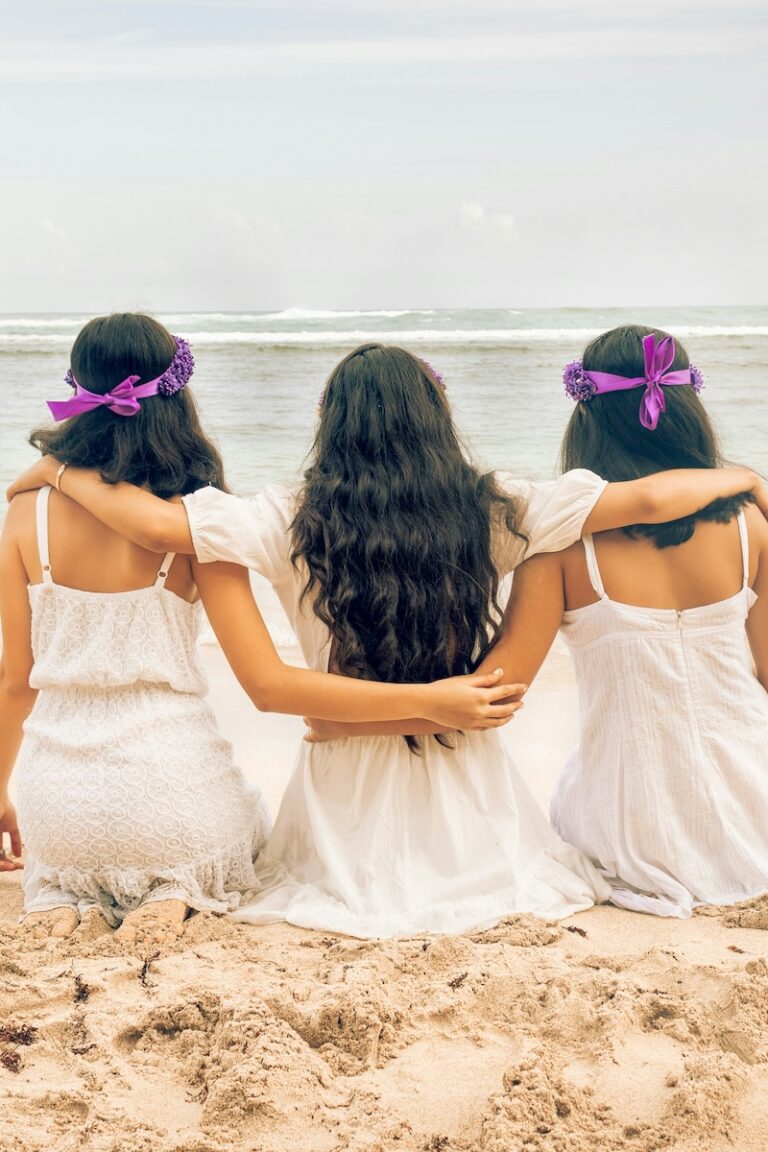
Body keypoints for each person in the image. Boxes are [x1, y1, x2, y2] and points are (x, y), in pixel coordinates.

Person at [8, 342, 767, 937]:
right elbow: (651, 495)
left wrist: (59, 471)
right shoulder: (496, 506)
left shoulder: (287, 514)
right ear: (438, 415)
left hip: (340, 801)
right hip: (471, 794)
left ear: (327, 423)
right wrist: (745, 481)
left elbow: (154, 525)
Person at [0, 318, 525, 944]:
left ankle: (62, 892)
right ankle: (171, 890)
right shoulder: (194, 512)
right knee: (229, 830)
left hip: (54, 798)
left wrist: (58, 472)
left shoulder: (24, 514)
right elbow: (260, 674)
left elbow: (15, 681)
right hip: (171, 791)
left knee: (63, 867)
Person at [474, 325, 768, 917]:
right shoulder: (751, 526)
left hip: (631, 818)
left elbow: (499, 691)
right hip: (755, 800)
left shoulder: (560, 547)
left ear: (587, 417)